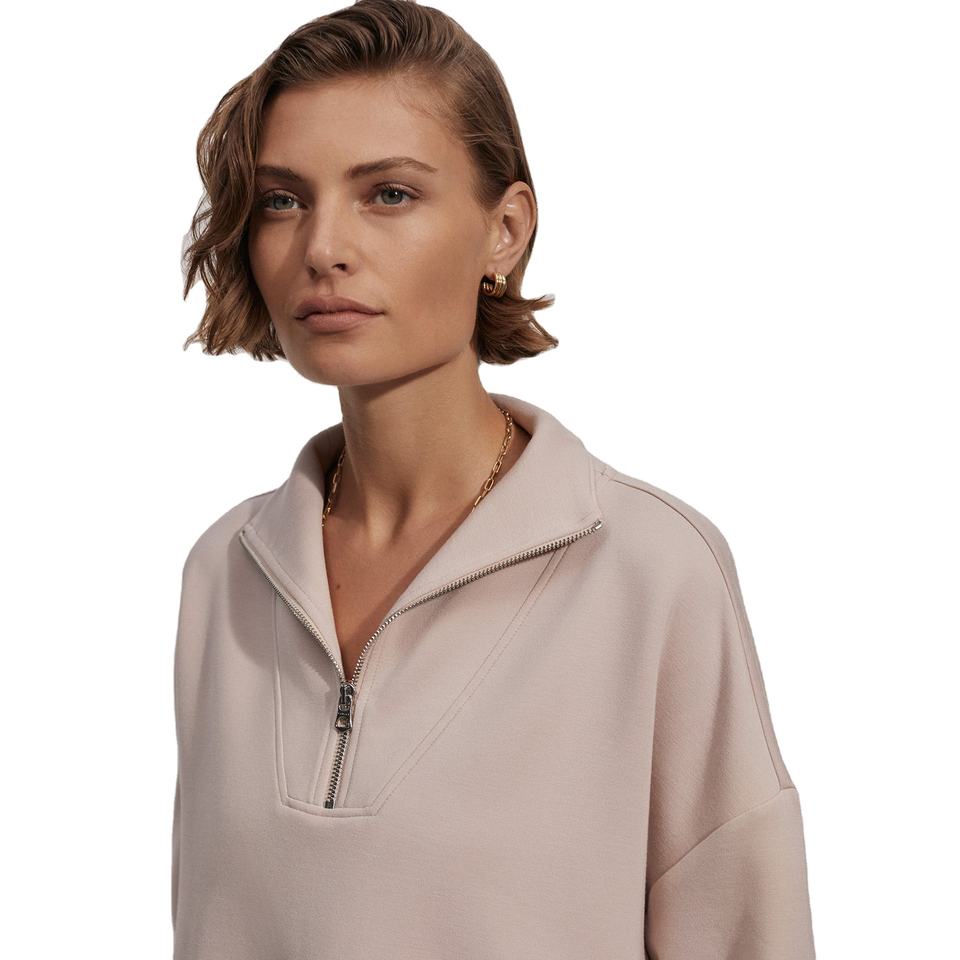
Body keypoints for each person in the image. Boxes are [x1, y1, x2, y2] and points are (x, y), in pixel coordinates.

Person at [173, 1, 817, 957]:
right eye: (282, 199)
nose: (322, 247)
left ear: (505, 230)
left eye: (389, 193)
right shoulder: (227, 572)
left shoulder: (650, 573)